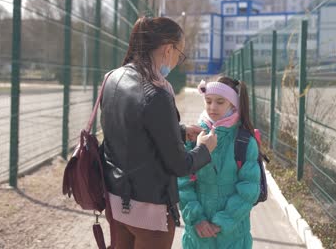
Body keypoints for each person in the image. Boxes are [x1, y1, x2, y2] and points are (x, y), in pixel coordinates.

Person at [100, 16, 217, 249]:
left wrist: (179, 132)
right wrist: (204, 149)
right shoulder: (157, 93)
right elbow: (179, 165)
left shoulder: (113, 78)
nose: (177, 61)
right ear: (167, 50)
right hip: (149, 212)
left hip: (115, 200)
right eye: (179, 54)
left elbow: (130, 130)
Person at [178, 77, 261, 249]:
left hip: (233, 236)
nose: (212, 107)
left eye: (220, 102)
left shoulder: (244, 141)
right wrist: (197, 219)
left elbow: (249, 188)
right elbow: (182, 182)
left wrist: (222, 222)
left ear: (233, 105)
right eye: (208, 101)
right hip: (198, 236)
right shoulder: (194, 136)